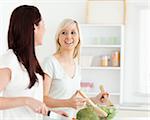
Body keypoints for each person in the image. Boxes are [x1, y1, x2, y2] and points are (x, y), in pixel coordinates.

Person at [42, 18, 109, 119]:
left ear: (79, 38)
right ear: (58, 38)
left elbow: (75, 101)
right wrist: (68, 103)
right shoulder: (50, 63)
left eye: (73, 32)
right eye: (64, 32)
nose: (69, 36)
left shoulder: (76, 65)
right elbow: (42, 99)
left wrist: (96, 99)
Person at [0, 5, 48, 120]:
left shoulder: (31, 62)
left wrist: (54, 113)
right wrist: (26, 101)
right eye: (43, 24)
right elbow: (28, 100)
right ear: (34, 27)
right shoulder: (9, 61)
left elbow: (33, 100)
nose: (45, 30)